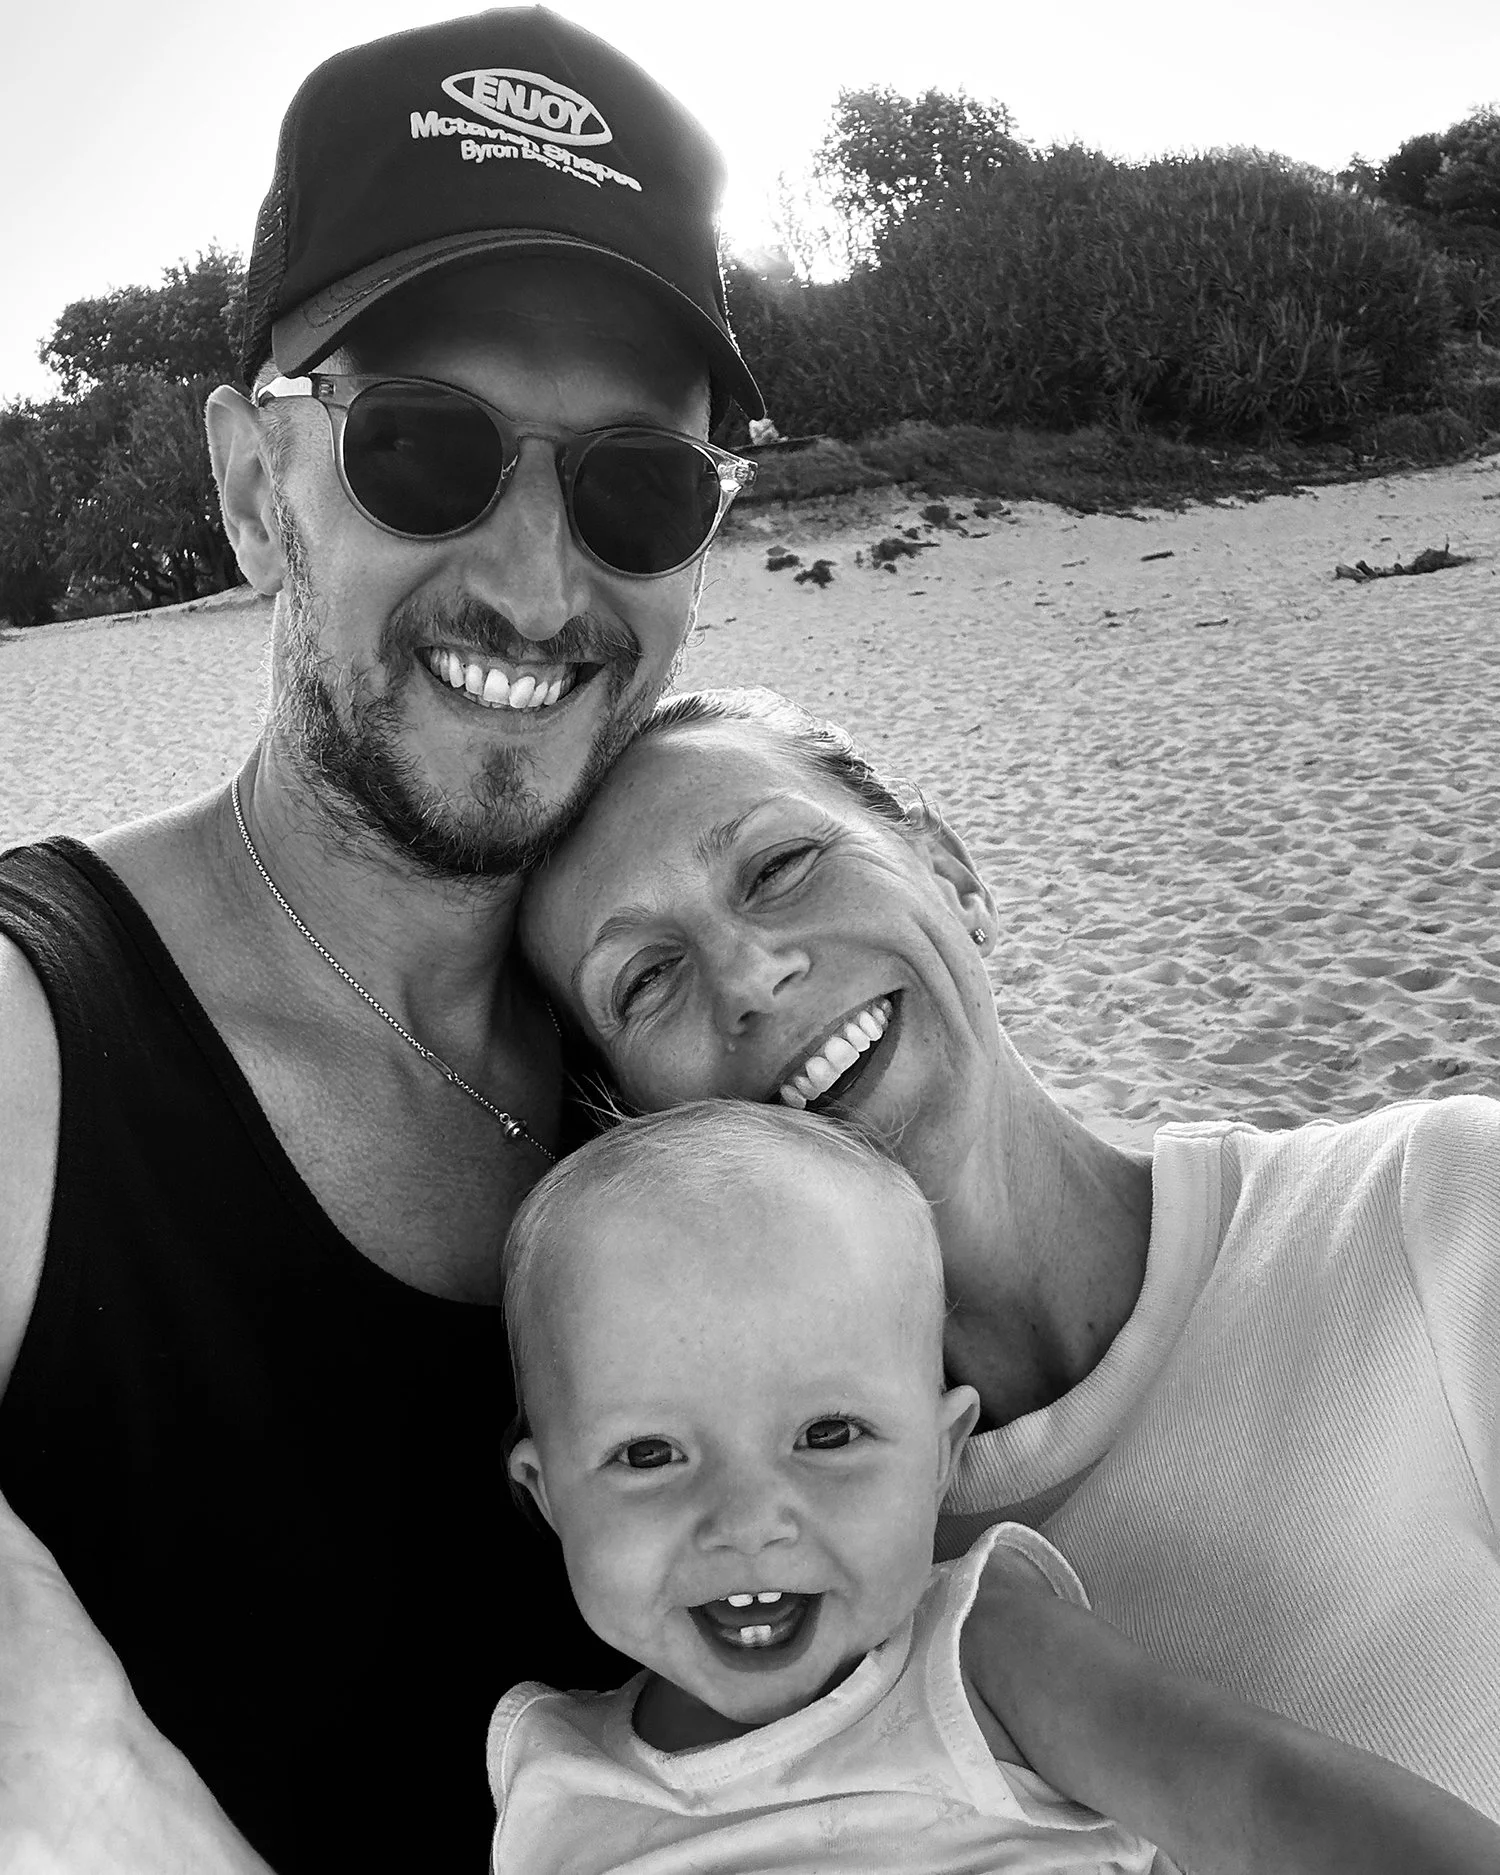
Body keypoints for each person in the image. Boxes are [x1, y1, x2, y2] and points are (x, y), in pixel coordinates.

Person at [0, 12, 762, 1871]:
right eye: (424, 450)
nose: (530, 581)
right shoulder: (37, 1027)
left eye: (635, 485)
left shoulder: (698, 1028)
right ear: (259, 487)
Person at [517, 684, 1500, 1824]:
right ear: (634, 1114)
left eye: (780, 866)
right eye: (645, 980)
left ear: (950, 870)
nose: (746, 977)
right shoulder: (750, 1578)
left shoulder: (1436, 1212)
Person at [490, 1098, 1500, 1874]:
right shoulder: (546, 1769)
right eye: (651, 1456)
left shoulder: (975, 1653)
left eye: (827, 1435)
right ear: (546, 1495)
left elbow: (1254, 1795)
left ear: (942, 1458)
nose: (749, 1520)